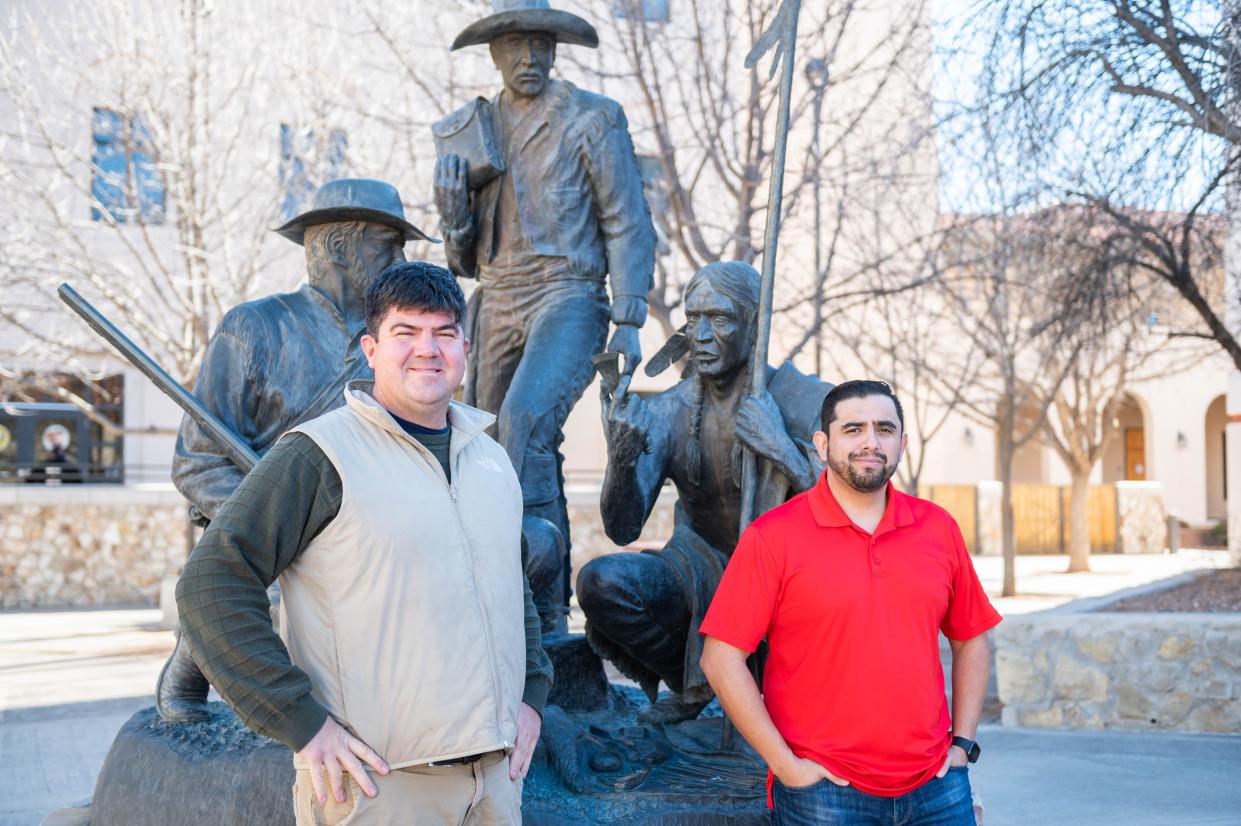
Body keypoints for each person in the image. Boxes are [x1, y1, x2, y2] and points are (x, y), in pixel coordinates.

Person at [176, 262, 552, 825]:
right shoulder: (318, 454)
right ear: (371, 349)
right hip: (378, 789)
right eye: (406, 332)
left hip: (494, 785)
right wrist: (299, 721)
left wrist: (533, 695)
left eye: (444, 333)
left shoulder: (490, 458)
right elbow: (212, 583)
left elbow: (510, 584)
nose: (427, 349)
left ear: (465, 348)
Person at [158, 178, 432, 723]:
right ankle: (192, 672)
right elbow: (197, 461)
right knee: (280, 604)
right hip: (276, 532)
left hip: (370, 527)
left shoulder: (396, 342)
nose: (402, 258)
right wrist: (275, 518)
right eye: (388, 244)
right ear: (335, 248)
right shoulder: (253, 327)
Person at [434, 0, 657, 630]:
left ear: (556, 50)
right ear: (494, 54)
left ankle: (546, 617)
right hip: (499, 295)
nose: (528, 57)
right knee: (479, 438)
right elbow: (464, 260)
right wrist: (452, 211)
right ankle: (507, 600)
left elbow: (625, 218)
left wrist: (630, 317)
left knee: (526, 421)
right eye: (515, 46)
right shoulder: (470, 131)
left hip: (570, 290)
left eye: (540, 45)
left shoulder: (592, 117)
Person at [700, 380, 1002, 825]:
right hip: (825, 794)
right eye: (853, 429)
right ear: (823, 444)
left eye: (884, 428)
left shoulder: (938, 529)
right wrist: (786, 767)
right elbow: (721, 659)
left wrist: (963, 744)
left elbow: (972, 636)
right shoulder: (774, 536)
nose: (870, 442)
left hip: (936, 787)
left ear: (902, 443)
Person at [576, 261, 830, 724]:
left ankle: (777, 697)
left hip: (788, 582)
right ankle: (694, 687)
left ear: (754, 324)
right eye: (693, 319)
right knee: (602, 582)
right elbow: (622, 528)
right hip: (699, 569)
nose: (703, 335)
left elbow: (849, 517)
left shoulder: (808, 401)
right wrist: (623, 460)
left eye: (721, 318)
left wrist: (782, 450)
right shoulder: (673, 408)